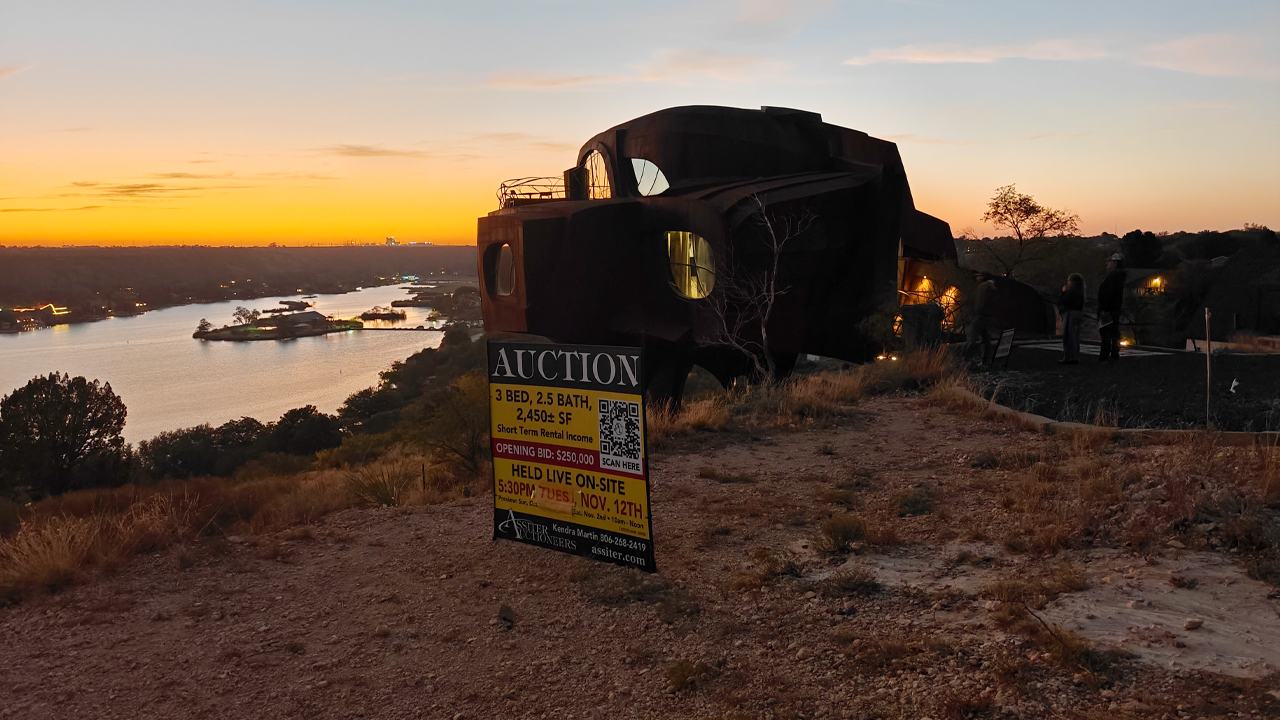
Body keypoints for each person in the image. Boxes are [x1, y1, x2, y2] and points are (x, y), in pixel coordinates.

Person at [1097, 253, 1127, 362]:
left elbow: (1107, 294)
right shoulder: (1120, 277)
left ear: (1115, 263)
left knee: (1106, 332)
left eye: (1110, 262)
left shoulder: (1112, 277)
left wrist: (1103, 308)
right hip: (1115, 309)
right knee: (1114, 332)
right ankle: (1114, 353)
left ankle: (1104, 355)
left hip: (1107, 309)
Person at [965, 274, 998, 362]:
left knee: (972, 338)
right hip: (988, 317)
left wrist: (975, 313)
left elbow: (979, 303)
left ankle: (966, 360)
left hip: (980, 316)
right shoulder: (993, 288)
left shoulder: (983, 287)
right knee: (986, 339)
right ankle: (986, 360)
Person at [1057, 273, 1085, 364]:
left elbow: (1062, 300)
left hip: (1070, 313)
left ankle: (1069, 357)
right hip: (1077, 313)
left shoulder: (1070, 292)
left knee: (1068, 335)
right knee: (1075, 336)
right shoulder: (1080, 292)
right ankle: (1075, 356)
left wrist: (1063, 292)